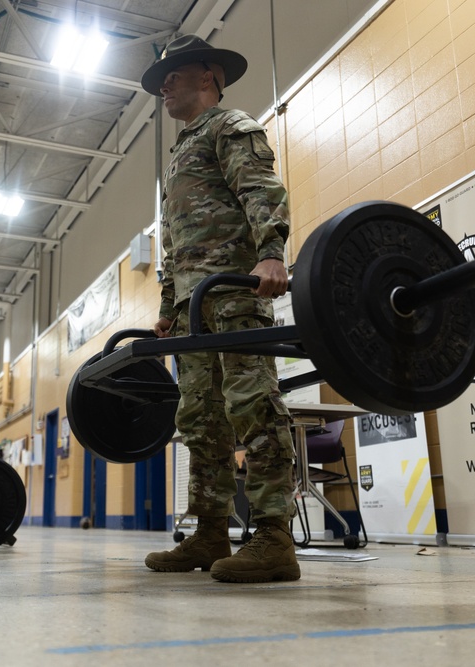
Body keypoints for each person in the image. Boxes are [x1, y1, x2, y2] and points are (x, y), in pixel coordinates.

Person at [140, 35, 300, 583]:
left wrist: (273, 254)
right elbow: (174, 244)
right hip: (191, 307)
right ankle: (210, 532)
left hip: (235, 293)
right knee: (199, 420)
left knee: (251, 404)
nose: (164, 85)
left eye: (175, 74)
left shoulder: (230, 126)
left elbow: (262, 191)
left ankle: (275, 535)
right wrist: (167, 306)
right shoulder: (179, 153)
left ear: (207, 77)